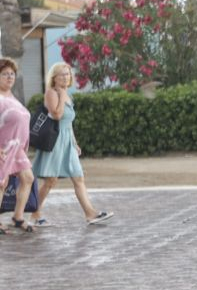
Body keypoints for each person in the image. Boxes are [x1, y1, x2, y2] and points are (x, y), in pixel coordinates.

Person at [29, 63, 114, 226]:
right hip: (54, 143)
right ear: (54, 77)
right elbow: (57, 115)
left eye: (67, 74)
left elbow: (68, 123)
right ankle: (35, 214)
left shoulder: (68, 95)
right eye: (61, 74)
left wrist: (74, 143)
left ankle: (90, 214)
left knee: (78, 177)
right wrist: (61, 96)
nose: (65, 77)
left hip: (68, 142)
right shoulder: (51, 93)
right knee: (50, 181)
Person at [0, 58, 36, 233]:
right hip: (3, 147)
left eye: (12, 74)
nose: (9, 77)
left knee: (28, 178)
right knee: (1, 183)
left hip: (17, 148)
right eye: (5, 74)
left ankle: (18, 217)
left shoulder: (12, 97)